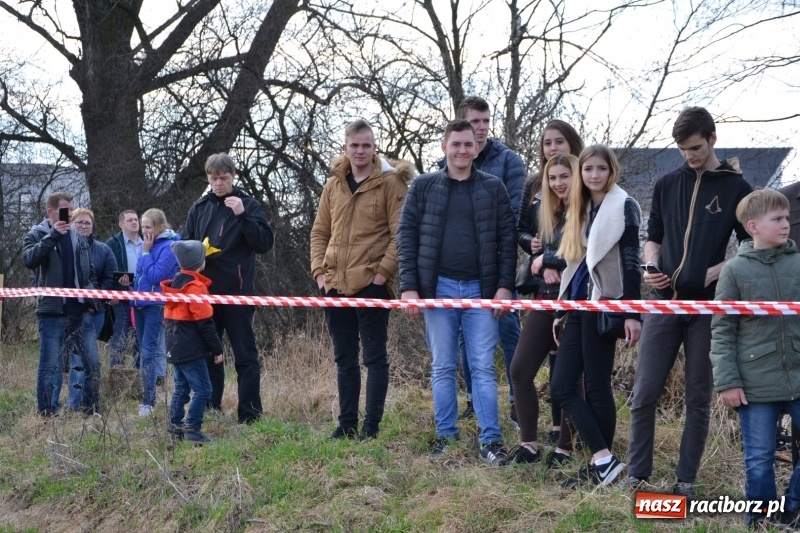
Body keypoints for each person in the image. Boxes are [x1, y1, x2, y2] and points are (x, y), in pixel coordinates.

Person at [625, 107, 753, 496]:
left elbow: (750, 244)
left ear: (712, 139)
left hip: (707, 309)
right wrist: (649, 265)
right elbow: (653, 235)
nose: (689, 155)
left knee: (698, 397)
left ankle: (685, 482)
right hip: (663, 303)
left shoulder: (738, 188)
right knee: (644, 393)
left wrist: (722, 270)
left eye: (695, 147)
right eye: (682, 149)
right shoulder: (666, 184)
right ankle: (637, 476)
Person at [398, 119, 517, 464]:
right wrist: (409, 288)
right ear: (444, 147)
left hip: (482, 291)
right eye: (456, 144)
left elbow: (507, 241)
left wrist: (505, 287)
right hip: (438, 289)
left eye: (468, 145)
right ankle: (446, 436)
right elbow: (406, 237)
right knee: (443, 366)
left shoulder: (494, 187)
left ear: (476, 148)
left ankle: (490, 441)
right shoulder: (422, 187)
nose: (462, 150)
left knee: (482, 366)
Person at [310, 119, 413, 441]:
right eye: (354, 145)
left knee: (374, 358)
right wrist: (319, 274)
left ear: (374, 148)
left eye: (366, 145)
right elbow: (319, 232)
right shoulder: (333, 185)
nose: (360, 151)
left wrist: (382, 275)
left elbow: (401, 235)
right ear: (345, 147)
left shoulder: (391, 183)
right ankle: (347, 424)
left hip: (371, 285)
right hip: (334, 285)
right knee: (344, 358)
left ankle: (371, 427)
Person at [550, 144, 642, 488]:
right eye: (588, 169)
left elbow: (632, 262)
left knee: (597, 385)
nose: (594, 175)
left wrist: (632, 313)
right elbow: (573, 262)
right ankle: (604, 459)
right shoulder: (581, 207)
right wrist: (561, 308)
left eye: (601, 168)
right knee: (562, 386)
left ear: (611, 170)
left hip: (606, 303)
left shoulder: (624, 205)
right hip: (577, 305)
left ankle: (600, 463)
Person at [711, 189, 800, 528]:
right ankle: (759, 519)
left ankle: (792, 510)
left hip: (798, 375)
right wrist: (728, 381)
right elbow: (722, 330)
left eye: (787, 217)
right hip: (754, 382)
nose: (786, 224)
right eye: (777, 219)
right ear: (753, 226)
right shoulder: (734, 271)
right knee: (759, 460)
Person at [508, 120, 584, 467]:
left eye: (559, 142)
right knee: (520, 369)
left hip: (576, 296)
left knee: (566, 377)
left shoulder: (588, 195)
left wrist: (548, 259)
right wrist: (536, 252)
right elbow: (523, 232)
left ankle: (564, 447)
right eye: (547, 143)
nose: (552, 148)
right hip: (543, 293)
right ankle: (528, 445)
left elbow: (587, 246)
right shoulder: (537, 190)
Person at [447, 96, 526, 422]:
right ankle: (473, 401)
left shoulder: (509, 161)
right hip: (460, 266)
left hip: (497, 263)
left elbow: (514, 215)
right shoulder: (449, 161)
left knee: (508, 331)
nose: (481, 128)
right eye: (474, 121)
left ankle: (518, 401)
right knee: (465, 337)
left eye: (485, 121)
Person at [182, 153, 274, 425]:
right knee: (209, 354)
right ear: (208, 178)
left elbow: (263, 244)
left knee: (245, 355)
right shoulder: (199, 208)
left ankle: (250, 413)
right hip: (205, 295)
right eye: (214, 178)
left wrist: (242, 215)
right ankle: (211, 409)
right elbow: (186, 246)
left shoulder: (249, 204)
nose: (219, 183)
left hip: (238, 294)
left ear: (233, 176)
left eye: (223, 178)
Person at [22, 191, 101, 416]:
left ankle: (90, 410)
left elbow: (89, 272)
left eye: (71, 209)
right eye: (65, 210)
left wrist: (92, 297)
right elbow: (29, 260)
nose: (70, 214)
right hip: (52, 311)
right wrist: (53, 235)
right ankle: (47, 413)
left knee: (92, 363)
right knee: (50, 365)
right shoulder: (37, 233)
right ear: (51, 211)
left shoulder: (78, 236)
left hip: (80, 311)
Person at [161, 240, 224, 444]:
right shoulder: (195, 287)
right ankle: (193, 428)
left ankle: (175, 425)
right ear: (199, 262)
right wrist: (217, 348)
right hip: (191, 348)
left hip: (174, 345)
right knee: (204, 389)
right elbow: (205, 322)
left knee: (181, 387)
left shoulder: (175, 284)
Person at [66, 208, 118, 411]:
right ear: (72, 224)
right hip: (70, 311)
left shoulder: (103, 250)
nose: (83, 226)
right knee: (77, 358)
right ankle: (75, 403)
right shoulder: (64, 247)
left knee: (90, 359)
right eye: (79, 222)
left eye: (87, 222)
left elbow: (111, 278)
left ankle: (90, 405)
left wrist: (94, 297)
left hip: (95, 311)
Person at [131, 208, 180, 417]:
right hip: (140, 303)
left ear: (160, 226)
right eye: (142, 227)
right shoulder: (148, 244)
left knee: (149, 351)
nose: (144, 231)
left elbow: (155, 275)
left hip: (156, 304)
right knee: (144, 350)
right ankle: (148, 396)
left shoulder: (169, 246)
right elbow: (140, 275)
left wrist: (145, 252)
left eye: (148, 227)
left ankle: (149, 401)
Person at [106, 210, 142, 368]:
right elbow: (105, 270)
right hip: (121, 297)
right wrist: (113, 291)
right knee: (120, 336)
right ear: (121, 224)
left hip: (142, 297)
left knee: (140, 338)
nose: (134, 222)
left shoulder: (147, 242)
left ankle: (140, 374)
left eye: (136, 219)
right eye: (129, 220)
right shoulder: (113, 243)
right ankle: (116, 373)